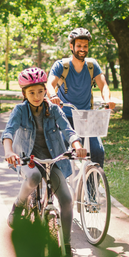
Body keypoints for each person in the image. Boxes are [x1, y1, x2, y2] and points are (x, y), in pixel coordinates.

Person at [1, 67, 87, 257]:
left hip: (53, 159)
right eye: (32, 92)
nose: (37, 96)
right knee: (33, 178)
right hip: (28, 159)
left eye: (41, 91)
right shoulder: (20, 110)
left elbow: (68, 130)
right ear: (24, 94)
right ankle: (18, 205)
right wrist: (8, 152)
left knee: (66, 199)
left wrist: (77, 146)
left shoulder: (54, 109)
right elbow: (8, 133)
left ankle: (65, 246)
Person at [46, 27, 116, 168]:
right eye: (79, 46)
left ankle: (93, 186)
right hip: (65, 116)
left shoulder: (92, 65)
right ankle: (61, 186)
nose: (82, 49)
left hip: (86, 116)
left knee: (97, 151)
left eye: (85, 46)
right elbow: (49, 85)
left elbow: (104, 86)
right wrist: (53, 96)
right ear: (72, 47)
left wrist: (107, 99)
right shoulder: (61, 66)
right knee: (63, 155)